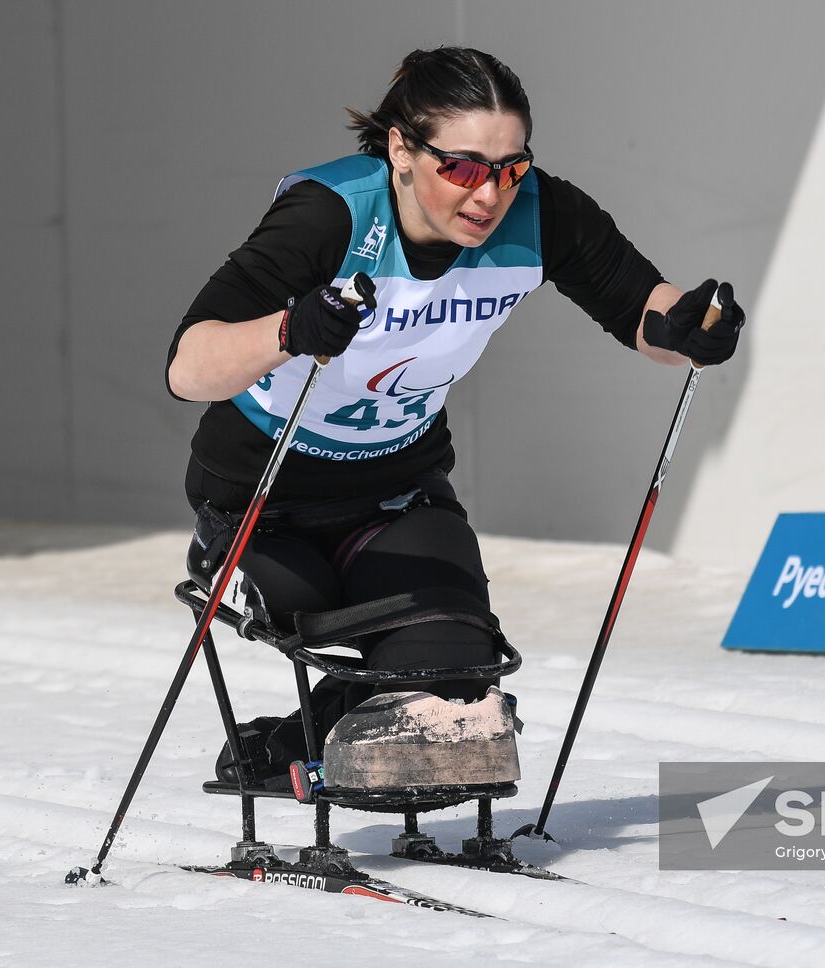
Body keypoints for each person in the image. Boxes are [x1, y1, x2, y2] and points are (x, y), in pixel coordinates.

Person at [166, 46, 745, 787]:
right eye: (464, 167)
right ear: (402, 148)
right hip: (263, 495)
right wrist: (288, 331)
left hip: (396, 493)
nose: (489, 195)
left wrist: (692, 329)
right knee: (323, 619)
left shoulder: (543, 213)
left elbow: (647, 314)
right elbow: (187, 367)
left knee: (460, 685)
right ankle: (311, 743)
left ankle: (298, 747)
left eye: (510, 167)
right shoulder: (331, 214)